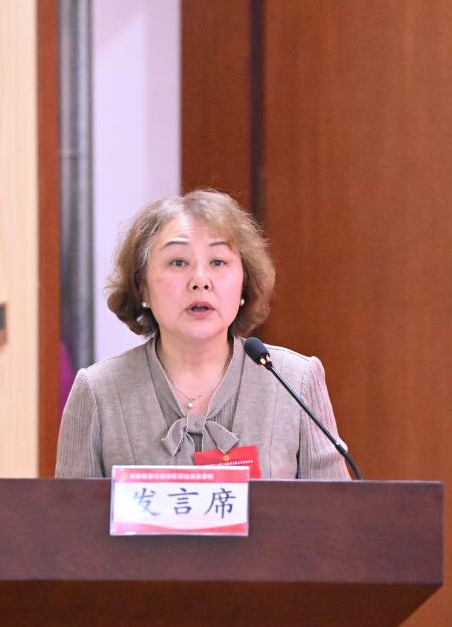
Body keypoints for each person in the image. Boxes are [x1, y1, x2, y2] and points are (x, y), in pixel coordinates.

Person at [55, 189, 351, 480]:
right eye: (178, 262)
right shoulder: (98, 391)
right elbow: (69, 511)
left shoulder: (296, 381)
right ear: (142, 287)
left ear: (244, 283)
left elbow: (335, 510)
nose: (200, 280)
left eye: (218, 262)